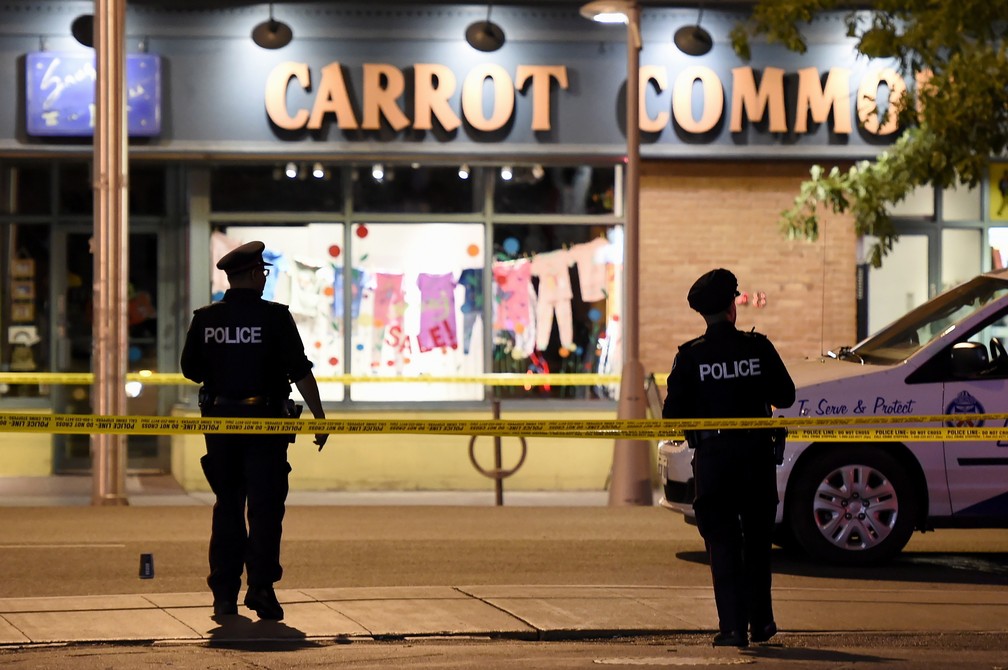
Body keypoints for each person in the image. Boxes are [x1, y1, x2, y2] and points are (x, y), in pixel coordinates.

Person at [181, 240, 329, 621]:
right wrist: (319, 417)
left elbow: (191, 369)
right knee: (265, 510)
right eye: (262, 272)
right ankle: (261, 589)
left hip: (220, 426)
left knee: (227, 506)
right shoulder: (275, 318)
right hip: (266, 428)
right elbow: (300, 370)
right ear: (251, 275)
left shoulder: (206, 318)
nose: (264, 278)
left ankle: (224, 595)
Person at [662, 268, 795, 648]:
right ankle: (763, 623)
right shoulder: (757, 348)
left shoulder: (690, 357)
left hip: (714, 461)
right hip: (755, 457)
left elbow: (672, 417)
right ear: (732, 308)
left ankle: (732, 628)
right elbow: (785, 395)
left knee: (720, 543)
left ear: (703, 314)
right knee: (756, 541)